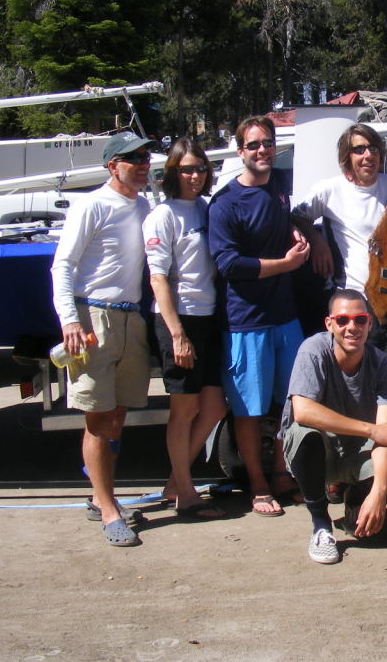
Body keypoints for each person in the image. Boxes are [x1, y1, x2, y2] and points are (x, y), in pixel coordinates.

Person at [50, 131, 154, 546]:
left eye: (146, 156)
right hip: (93, 318)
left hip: (132, 319)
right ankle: (109, 510)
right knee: (97, 418)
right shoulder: (90, 204)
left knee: (117, 416)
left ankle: (99, 495)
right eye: (133, 158)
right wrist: (69, 320)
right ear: (113, 166)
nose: (143, 163)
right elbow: (63, 266)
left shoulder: (146, 205)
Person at [208, 116, 309, 518]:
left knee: (292, 402)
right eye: (253, 145)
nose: (262, 150)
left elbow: (289, 217)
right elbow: (229, 264)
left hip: (285, 318)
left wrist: (306, 233)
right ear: (240, 152)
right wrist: (285, 265)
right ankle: (258, 483)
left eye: (268, 143)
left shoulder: (280, 187)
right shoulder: (225, 203)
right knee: (249, 409)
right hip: (245, 321)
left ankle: (284, 474)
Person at [292, 123, 387, 400]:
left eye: (373, 148)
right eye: (358, 150)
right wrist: (317, 239)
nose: (367, 156)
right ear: (347, 156)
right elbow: (296, 215)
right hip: (355, 307)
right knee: (358, 390)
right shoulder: (329, 190)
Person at [282, 289, 387, 565]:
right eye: (343, 320)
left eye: (360, 320)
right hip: (321, 449)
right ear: (329, 324)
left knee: (386, 452)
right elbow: (302, 411)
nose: (352, 327)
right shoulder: (313, 350)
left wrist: (379, 492)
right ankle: (321, 525)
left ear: (370, 324)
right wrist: (372, 430)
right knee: (304, 434)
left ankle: (356, 500)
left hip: (356, 450)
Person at [143, 138, 226, 518]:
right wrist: (177, 334)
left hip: (210, 318)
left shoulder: (207, 209)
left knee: (213, 407)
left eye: (201, 169)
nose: (195, 176)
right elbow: (158, 279)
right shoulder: (163, 216)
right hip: (179, 319)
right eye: (187, 169)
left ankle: (176, 482)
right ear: (172, 173)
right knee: (184, 411)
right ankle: (185, 495)